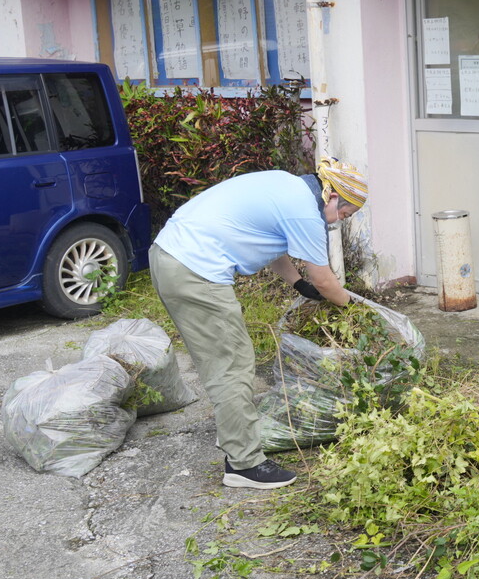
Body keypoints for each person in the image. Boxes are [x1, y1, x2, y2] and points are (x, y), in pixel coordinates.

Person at [149, 157, 368, 490]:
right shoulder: (305, 211)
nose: (338, 221)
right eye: (344, 213)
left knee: (226, 361)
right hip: (195, 270)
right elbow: (325, 282)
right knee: (232, 366)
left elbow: (270, 243)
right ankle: (244, 464)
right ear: (333, 198)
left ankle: (240, 452)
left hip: (171, 255)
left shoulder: (287, 186)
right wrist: (356, 311)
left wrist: (296, 283)